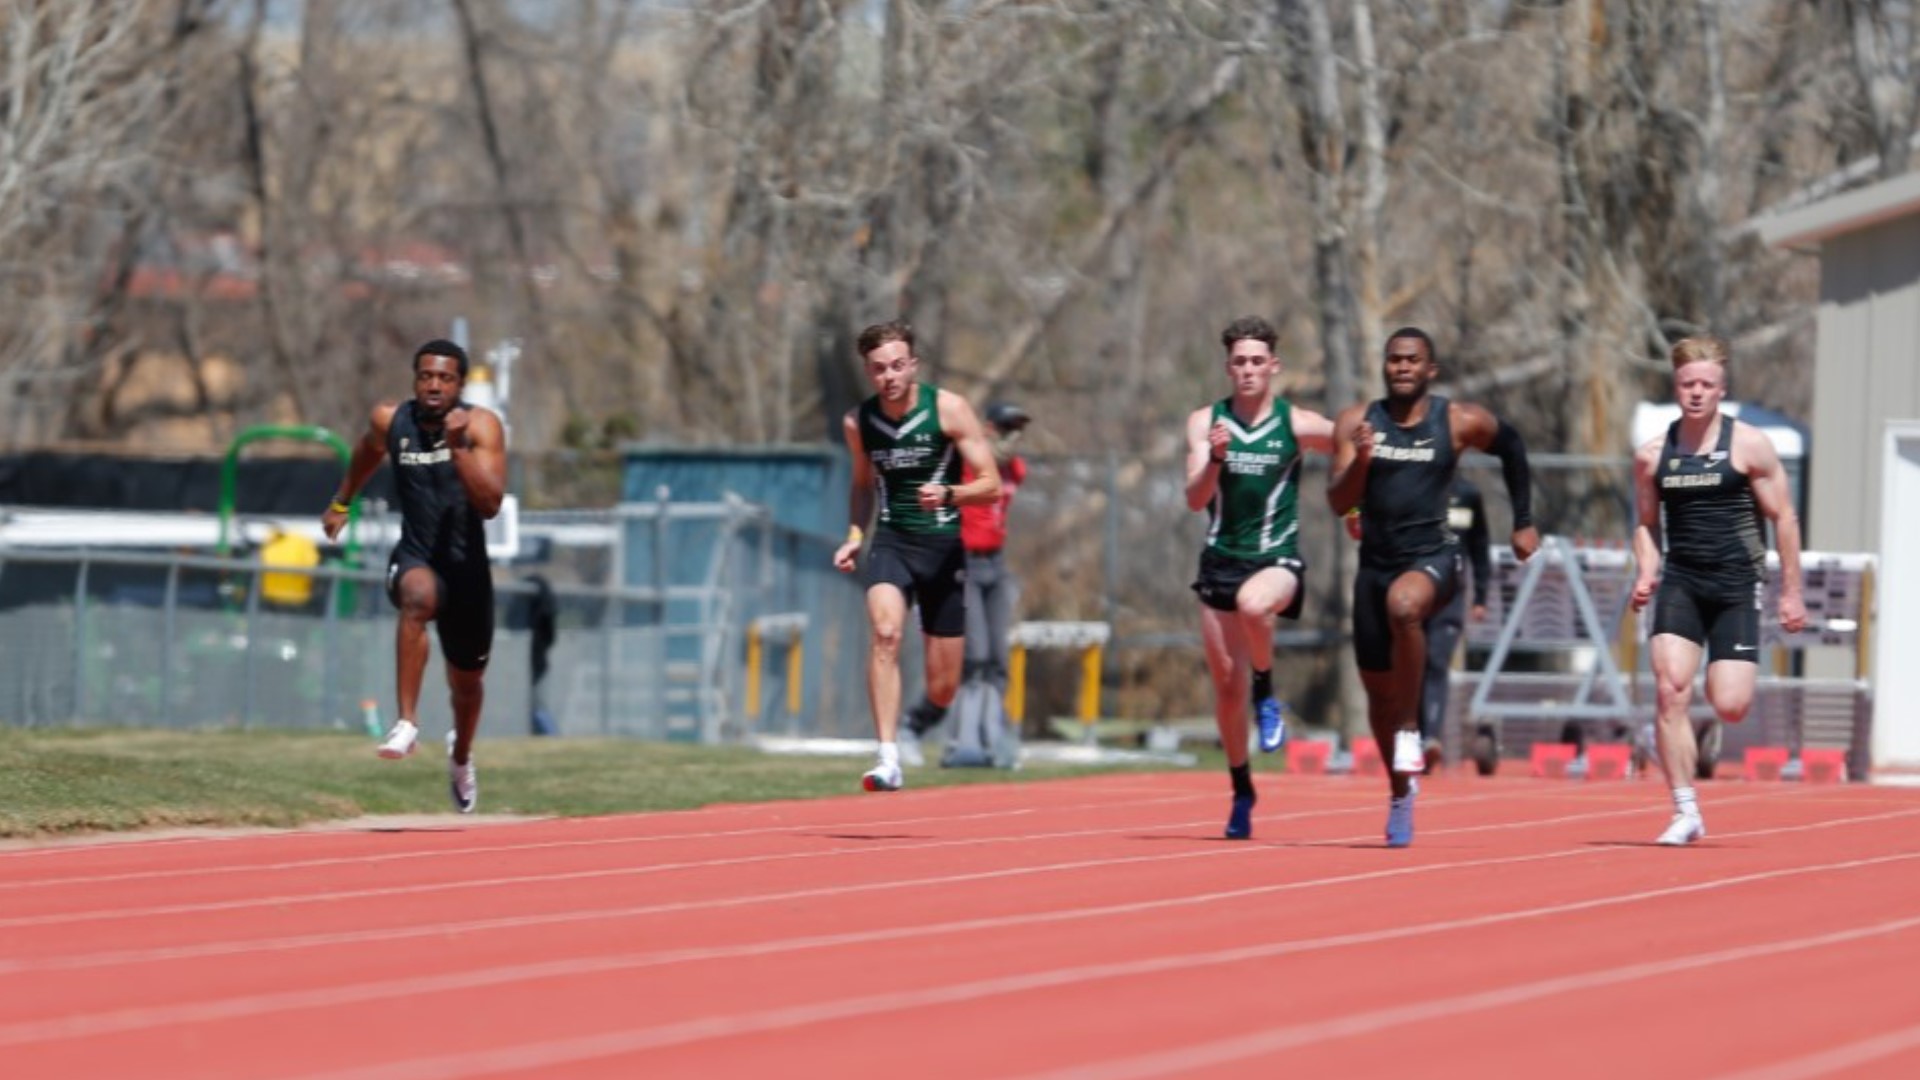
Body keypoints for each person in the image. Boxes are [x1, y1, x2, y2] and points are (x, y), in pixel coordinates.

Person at [1329, 327, 1539, 847]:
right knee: (1375, 691)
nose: (1401, 367)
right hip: (1373, 565)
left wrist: (1524, 521)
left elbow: (1512, 446)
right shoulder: (1357, 423)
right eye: (1393, 360)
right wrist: (1362, 461)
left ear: (1430, 370)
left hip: (1434, 559)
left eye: (1412, 360)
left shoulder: (1457, 420)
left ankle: (1410, 729)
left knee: (1405, 607)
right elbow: (1338, 503)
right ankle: (1401, 794)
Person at [1630, 335, 1805, 845]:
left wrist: (1791, 591)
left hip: (1735, 584)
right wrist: (1646, 572)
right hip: (1682, 581)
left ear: (1722, 389)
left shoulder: (1749, 445)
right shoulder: (1652, 455)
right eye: (1688, 384)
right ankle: (1685, 809)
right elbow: (1646, 524)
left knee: (1730, 703)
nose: (1697, 393)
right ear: (1675, 386)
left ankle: (1696, 729)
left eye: (1707, 384)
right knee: (1669, 689)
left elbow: (1784, 518)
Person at [322, 339, 506, 813]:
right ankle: (405, 722)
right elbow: (367, 451)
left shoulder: (482, 426)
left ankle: (461, 757)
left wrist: (455, 447)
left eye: (445, 378)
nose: (434, 385)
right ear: (414, 380)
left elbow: (489, 504)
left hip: (468, 570)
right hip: (418, 553)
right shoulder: (392, 419)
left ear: (460, 385)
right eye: (426, 376)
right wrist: (344, 501)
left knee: (466, 683)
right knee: (416, 597)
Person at [833, 320, 1002, 792]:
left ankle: (922, 717)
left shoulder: (949, 410)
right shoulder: (858, 423)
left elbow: (989, 486)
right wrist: (852, 535)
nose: (889, 376)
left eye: (897, 366)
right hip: (892, 543)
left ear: (913, 364)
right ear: (868, 371)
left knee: (943, 687)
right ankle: (887, 756)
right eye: (878, 369)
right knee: (885, 632)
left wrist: (949, 494)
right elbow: (863, 486)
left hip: (944, 551)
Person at [1185, 316, 1336, 840]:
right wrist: (1216, 460)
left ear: (1274, 366)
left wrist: (1358, 501)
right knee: (1227, 692)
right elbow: (1194, 498)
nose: (1247, 370)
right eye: (1239, 362)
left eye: (1257, 361)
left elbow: (1354, 450)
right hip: (1219, 560)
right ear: (1228, 367)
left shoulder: (1299, 424)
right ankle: (1242, 789)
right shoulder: (1208, 422)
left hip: (1277, 560)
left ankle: (1268, 692)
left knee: (1255, 605)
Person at [899, 401, 1031, 766]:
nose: (1012, 438)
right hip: (963, 562)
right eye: (1005, 429)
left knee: (998, 661)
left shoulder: (1016, 470)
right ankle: (921, 725)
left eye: (1017, 431)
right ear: (988, 429)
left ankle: (994, 737)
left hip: (996, 564)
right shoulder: (966, 464)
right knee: (972, 659)